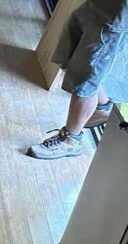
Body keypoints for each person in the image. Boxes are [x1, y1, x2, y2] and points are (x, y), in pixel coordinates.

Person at [28, 0, 128, 159]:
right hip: (99, 6)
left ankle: (71, 139)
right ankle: (102, 106)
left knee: (87, 73)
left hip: (114, 18)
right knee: (69, 51)